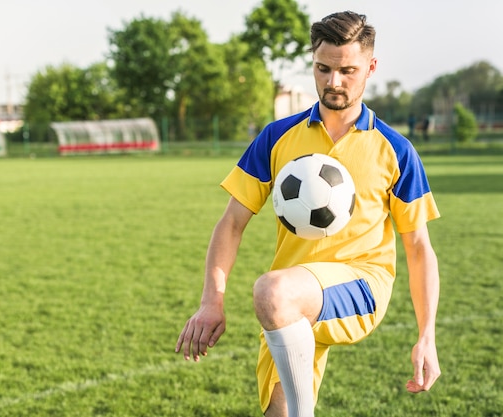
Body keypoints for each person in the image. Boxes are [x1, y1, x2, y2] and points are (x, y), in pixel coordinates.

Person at [175, 11, 441, 417]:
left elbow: (419, 247)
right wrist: (212, 299)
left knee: (270, 291)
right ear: (312, 64)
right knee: (275, 410)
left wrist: (427, 336)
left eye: (347, 70)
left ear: (370, 68)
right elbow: (231, 223)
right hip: (289, 300)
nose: (334, 82)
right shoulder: (277, 137)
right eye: (323, 69)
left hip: (360, 285)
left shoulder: (396, 150)